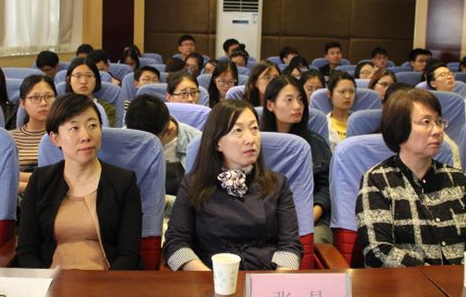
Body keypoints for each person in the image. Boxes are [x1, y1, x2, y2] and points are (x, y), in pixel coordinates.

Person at [163, 99, 303, 271]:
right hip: (209, 276)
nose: (250, 139)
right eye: (238, 130)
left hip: (265, 275)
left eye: (254, 129)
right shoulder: (193, 184)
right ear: (217, 143)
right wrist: (209, 277)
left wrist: (277, 281)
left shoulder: (278, 184)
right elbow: (175, 243)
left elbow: (290, 245)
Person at [355, 89, 466, 267]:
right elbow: (378, 251)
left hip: (461, 279)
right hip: (406, 281)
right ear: (399, 127)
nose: (437, 130)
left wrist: (465, 273)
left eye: (439, 122)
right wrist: (433, 276)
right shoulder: (377, 180)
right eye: (426, 122)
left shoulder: (457, 179)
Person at [17, 93, 142, 270]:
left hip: (107, 280)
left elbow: (129, 255)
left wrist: (106, 284)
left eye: (92, 126)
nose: (86, 136)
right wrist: (47, 282)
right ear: (55, 138)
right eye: (74, 128)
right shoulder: (40, 181)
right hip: (50, 281)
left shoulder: (123, 182)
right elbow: (26, 252)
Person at [261, 75, 333, 244]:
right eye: (289, 100)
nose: (297, 106)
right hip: (265, 217)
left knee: (318, 239)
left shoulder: (315, 142)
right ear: (270, 105)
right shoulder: (256, 143)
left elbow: (327, 186)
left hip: (311, 217)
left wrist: (312, 214)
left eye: (300, 99)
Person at [125, 94, 201, 195]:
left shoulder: (198, 144)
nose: (142, 146)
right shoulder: (124, 136)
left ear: (169, 131)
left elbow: (198, 196)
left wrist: (168, 201)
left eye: (149, 143)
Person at [11, 75, 56, 194]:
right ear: (22, 103)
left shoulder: (64, 135)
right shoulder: (9, 138)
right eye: (35, 98)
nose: (43, 103)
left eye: (49, 96)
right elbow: (2, 178)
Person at [66, 57, 116, 126]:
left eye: (89, 76)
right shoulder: (60, 108)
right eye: (78, 76)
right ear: (69, 80)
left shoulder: (106, 108)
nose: (83, 81)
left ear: (96, 79)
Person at [326, 72, 356, 152]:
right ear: (329, 94)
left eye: (352, 91)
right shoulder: (323, 123)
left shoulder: (360, 121)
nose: (348, 96)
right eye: (342, 91)